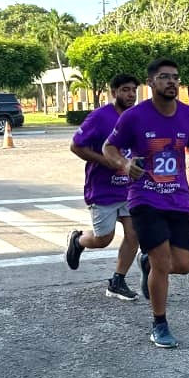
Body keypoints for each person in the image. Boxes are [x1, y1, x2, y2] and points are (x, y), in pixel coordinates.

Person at [102, 58, 189, 349]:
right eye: (164, 77)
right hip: (145, 197)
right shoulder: (134, 117)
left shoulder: (188, 114)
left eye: (175, 77)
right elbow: (109, 147)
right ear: (151, 83)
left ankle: (147, 262)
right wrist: (125, 164)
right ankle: (159, 324)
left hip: (178, 198)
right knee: (163, 263)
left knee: (184, 265)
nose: (171, 81)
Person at [65, 72, 142, 300]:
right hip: (102, 189)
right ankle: (78, 240)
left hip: (128, 188)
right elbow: (76, 146)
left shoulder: (137, 116)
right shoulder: (100, 117)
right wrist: (106, 161)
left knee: (134, 234)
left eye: (133, 90)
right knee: (103, 239)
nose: (131, 95)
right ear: (114, 92)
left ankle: (117, 281)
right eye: (125, 90)